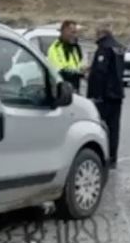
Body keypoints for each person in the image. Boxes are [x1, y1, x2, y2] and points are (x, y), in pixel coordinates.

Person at [87, 27, 125, 167]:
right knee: (114, 128)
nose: (95, 37)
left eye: (96, 34)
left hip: (105, 95)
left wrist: (95, 94)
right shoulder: (119, 48)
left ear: (101, 34)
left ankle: (104, 157)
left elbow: (100, 73)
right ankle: (113, 157)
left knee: (101, 127)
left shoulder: (104, 48)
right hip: (117, 94)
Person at [47, 20, 85, 91]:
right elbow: (59, 71)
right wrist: (79, 74)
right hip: (63, 88)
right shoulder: (55, 48)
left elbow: (79, 65)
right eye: (72, 32)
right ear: (63, 32)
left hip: (74, 87)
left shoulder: (74, 48)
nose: (75, 35)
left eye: (76, 32)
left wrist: (84, 70)